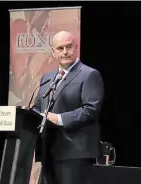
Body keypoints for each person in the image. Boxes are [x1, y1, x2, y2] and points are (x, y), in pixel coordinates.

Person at [32, 30, 104, 184]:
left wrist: (59, 118)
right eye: (60, 48)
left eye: (69, 47)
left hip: (75, 154)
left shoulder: (89, 74)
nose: (65, 52)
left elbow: (91, 109)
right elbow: (39, 107)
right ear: (53, 52)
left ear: (76, 48)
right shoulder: (48, 77)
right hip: (48, 151)